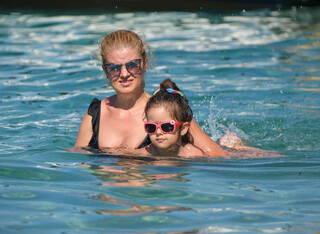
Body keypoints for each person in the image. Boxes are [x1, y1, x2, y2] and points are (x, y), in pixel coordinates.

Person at [75, 29, 226, 157]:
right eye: (114, 68)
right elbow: (78, 160)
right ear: (105, 71)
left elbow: (219, 157)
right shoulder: (95, 113)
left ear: (145, 63)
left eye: (132, 65)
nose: (124, 74)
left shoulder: (166, 109)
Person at [139, 78, 204, 157]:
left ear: (183, 129)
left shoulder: (194, 155)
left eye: (166, 126)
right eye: (152, 127)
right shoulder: (144, 154)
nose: (158, 132)